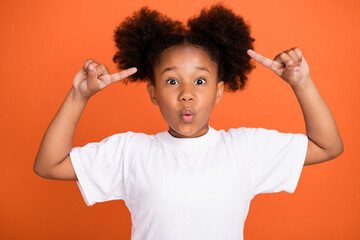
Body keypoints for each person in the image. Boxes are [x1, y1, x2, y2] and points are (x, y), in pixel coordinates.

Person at [33, 4, 343, 240]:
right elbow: (49, 165)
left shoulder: (246, 148)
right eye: (171, 82)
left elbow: (327, 146)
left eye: (199, 81)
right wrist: (79, 95)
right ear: (153, 93)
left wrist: (301, 83)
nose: (186, 94)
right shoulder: (130, 152)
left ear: (220, 90)